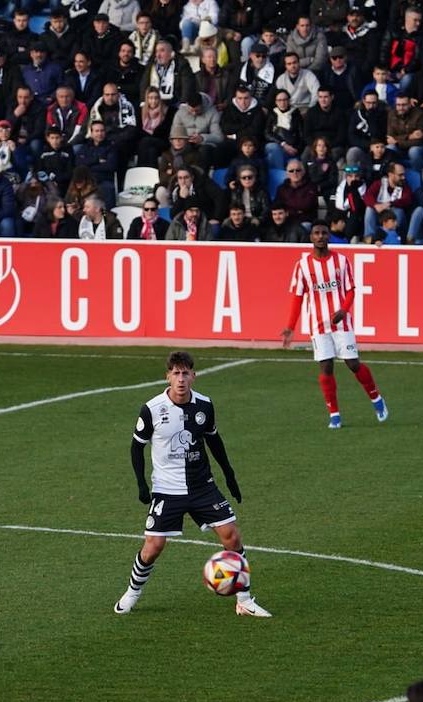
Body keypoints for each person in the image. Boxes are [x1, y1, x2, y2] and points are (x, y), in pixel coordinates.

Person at [113, 351, 270, 619]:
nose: (181, 379)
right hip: (166, 488)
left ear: (193, 376)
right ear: (168, 377)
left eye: (186, 373)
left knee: (231, 535)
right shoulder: (151, 409)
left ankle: (244, 600)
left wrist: (229, 474)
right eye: (176, 373)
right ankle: (132, 593)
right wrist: (141, 483)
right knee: (153, 546)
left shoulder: (205, 406)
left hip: (202, 486)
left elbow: (214, 441)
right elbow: (136, 447)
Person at [280, 222, 387, 430]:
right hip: (318, 325)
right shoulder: (302, 265)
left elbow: (351, 290)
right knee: (326, 367)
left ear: (329, 236)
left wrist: (344, 310)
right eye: (316, 233)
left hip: (342, 324)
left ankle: (377, 400)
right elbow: (297, 297)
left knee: (353, 364)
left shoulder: (341, 261)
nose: (320, 236)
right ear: (311, 237)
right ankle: (335, 415)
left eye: (323, 233)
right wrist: (290, 327)